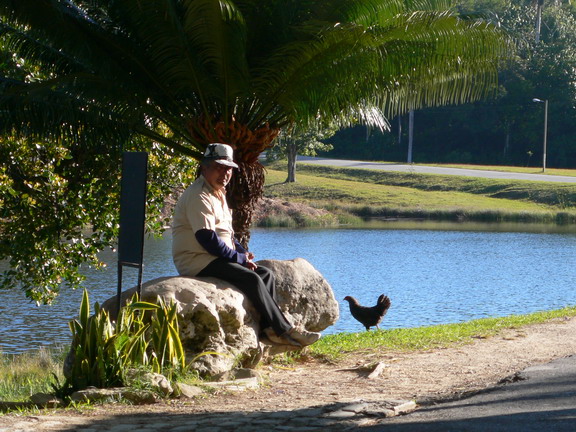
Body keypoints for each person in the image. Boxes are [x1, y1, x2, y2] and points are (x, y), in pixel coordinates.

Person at [172, 143, 321, 348]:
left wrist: (243, 254)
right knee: (251, 279)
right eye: (219, 167)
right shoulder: (199, 195)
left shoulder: (218, 193)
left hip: (213, 257)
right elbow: (206, 238)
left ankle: (269, 330)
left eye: (228, 169)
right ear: (204, 167)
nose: (224, 173)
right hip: (196, 259)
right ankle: (285, 330)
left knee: (265, 274)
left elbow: (226, 235)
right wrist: (238, 259)